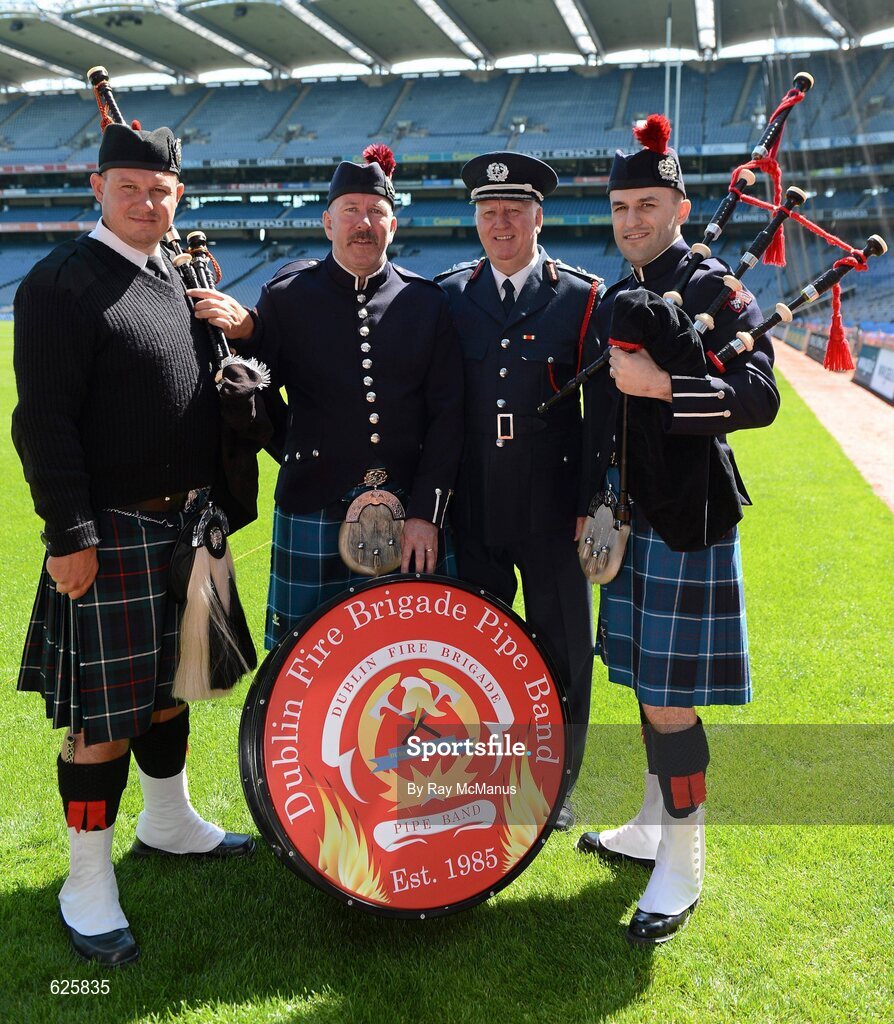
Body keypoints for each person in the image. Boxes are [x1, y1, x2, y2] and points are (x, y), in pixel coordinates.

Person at [12, 122, 255, 967]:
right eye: (131, 189)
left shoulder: (178, 279)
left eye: (161, 192)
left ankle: (169, 820)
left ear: (177, 197)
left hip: (189, 521)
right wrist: (69, 533)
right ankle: (87, 879)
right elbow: (40, 422)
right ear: (98, 188)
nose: (147, 203)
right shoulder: (59, 286)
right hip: (109, 532)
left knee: (174, 686)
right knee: (102, 717)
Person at [576, 116, 780, 943]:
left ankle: (683, 860)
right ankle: (652, 823)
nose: (632, 221)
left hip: (688, 519)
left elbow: (761, 396)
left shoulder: (716, 288)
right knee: (644, 682)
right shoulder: (619, 285)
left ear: (682, 206)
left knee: (669, 700)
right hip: (629, 512)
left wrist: (665, 387)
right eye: (622, 207)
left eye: (648, 205)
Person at [191, 145, 463, 648]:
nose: (364, 222)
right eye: (351, 211)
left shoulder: (428, 302)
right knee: (300, 660)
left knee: (413, 652)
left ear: (393, 225)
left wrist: (428, 512)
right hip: (312, 498)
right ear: (327, 222)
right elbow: (261, 384)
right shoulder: (288, 294)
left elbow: (449, 415)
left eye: (376, 211)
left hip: (409, 507)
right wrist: (249, 333)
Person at [435, 153, 604, 830]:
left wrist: (595, 502)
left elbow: (602, 416)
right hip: (472, 505)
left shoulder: (583, 297)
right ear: (474, 219)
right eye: (487, 212)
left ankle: (556, 783)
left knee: (563, 647)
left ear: (539, 217)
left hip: (553, 508)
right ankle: (487, 770)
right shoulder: (448, 294)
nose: (500, 224)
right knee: (479, 650)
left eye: (513, 212)